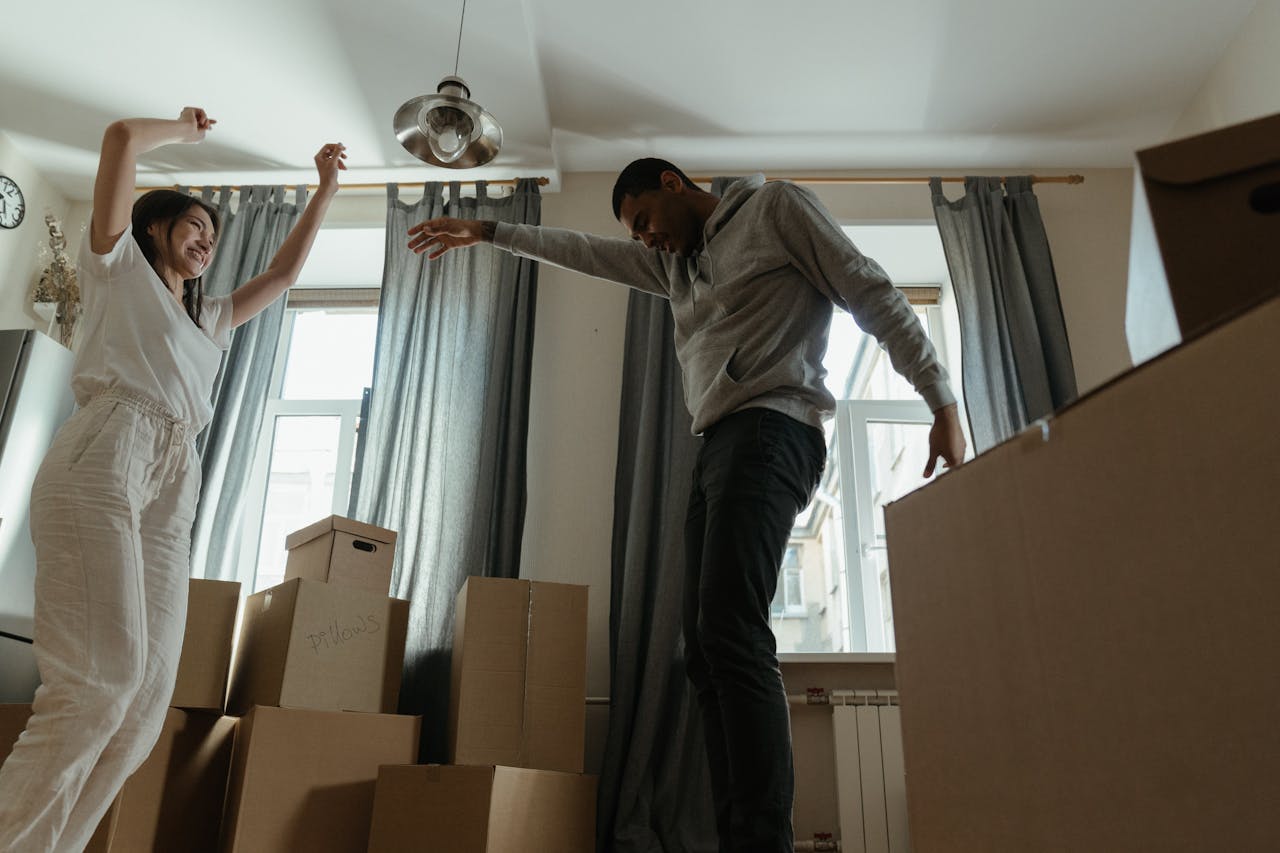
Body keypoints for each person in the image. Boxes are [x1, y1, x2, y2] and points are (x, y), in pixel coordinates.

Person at [407, 159, 966, 853]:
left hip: (773, 429)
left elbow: (868, 288)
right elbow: (587, 253)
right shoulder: (674, 268)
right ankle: (737, 834)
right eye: (634, 231)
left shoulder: (775, 211)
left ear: (673, 185)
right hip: (718, 447)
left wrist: (940, 399)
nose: (643, 238)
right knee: (704, 649)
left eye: (643, 219)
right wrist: (490, 230)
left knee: (731, 628)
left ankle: (762, 839)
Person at [0, 107, 346, 852]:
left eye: (215, 237)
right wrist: (187, 131)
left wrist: (323, 190)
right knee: (99, 682)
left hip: (172, 474)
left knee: (144, 705)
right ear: (156, 226)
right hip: (107, 448)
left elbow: (283, 275)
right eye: (196, 226)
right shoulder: (116, 264)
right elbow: (121, 138)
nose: (207, 242)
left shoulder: (211, 319)